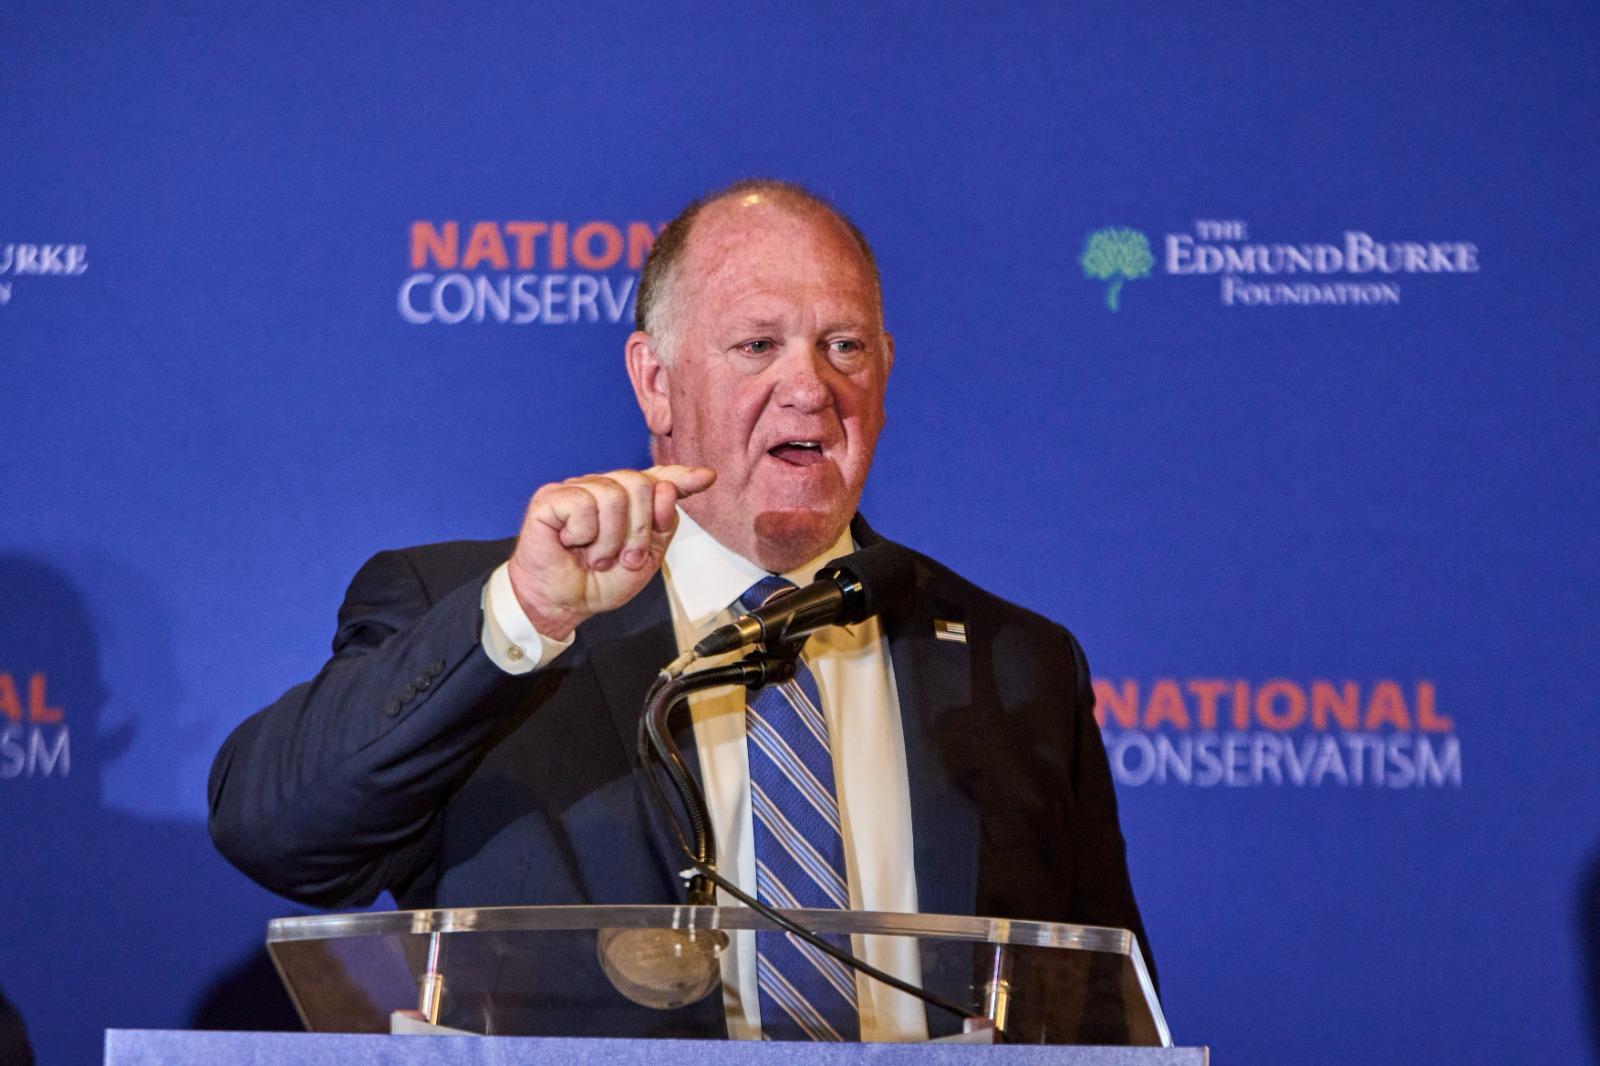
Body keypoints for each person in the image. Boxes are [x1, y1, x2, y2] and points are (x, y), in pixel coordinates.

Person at [208, 179, 1152, 1041]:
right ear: (655, 381)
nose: (810, 387)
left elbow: (1103, 1016)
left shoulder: (1013, 661)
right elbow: (276, 835)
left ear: (886, 372)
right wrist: (522, 621)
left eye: (845, 346)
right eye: (758, 345)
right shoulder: (493, 617)